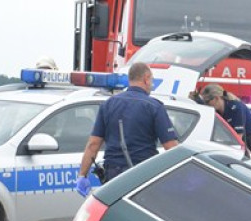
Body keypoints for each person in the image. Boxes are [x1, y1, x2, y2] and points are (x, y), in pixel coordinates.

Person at [76, 61, 179, 196]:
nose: (152, 85)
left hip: (113, 176)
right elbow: (171, 147)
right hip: (143, 174)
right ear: (146, 79)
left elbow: (93, 144)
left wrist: (82, 176)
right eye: (152, 80)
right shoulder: (154, 107)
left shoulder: (107, 105)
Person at [198, 83, 251, 160]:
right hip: (244, 144)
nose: (206, 104)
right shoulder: (218, 110)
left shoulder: (236, 108)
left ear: (216, 98)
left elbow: (238, 138)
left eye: (207, 102)